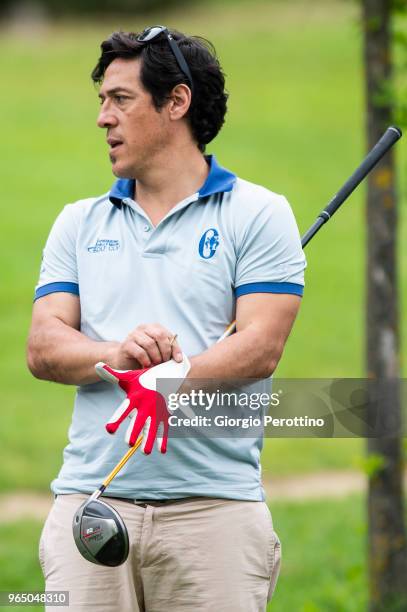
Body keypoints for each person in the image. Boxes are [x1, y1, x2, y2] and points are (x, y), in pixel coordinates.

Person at [27, 25, 306, 612]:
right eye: (102, 101)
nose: (103, 118)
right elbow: (44, 345)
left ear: (176, 102)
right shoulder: (79, 222)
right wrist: (120, 357)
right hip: (91, 505)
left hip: (216, 515)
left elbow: (260, 345)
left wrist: (167, 382)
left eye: (120, 99)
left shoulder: (259, 213)